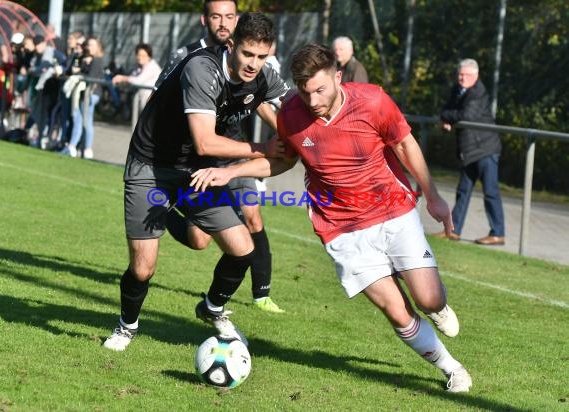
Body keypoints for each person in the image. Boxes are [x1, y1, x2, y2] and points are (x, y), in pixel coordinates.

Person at [190, 43, 472, 393]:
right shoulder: (292, 114)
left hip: (392, 211)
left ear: (338, 77)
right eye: (305, 92)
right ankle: (452, 369)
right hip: (341, 228)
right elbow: (282, 161)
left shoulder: (372, 100)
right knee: (397, 312)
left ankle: (438, 306)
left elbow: (405, 144)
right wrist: (231, 173)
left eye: (321, 90)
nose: (313, 100)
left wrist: (433, 197)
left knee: (428, 299)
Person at [102, 12, 289, 352]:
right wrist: (263, 147)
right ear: (231, 44)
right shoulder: (202, 69)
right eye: (247, 54)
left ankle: (212, 308)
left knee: (242, 248)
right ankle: (127, 326)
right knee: (143, 268)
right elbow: (205, 141)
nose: (253, 64)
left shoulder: (263, 77)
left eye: (262, 57)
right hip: (151, 166)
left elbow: (298, 106)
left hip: (195, 172)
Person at [160, 0, 285, 313]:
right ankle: (163, 212)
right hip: (194, 157)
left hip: (234, 149)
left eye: (230, 16)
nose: (223, 22)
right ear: (205, 19)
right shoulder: (188, 57)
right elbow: (160, 102)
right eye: (217, 16)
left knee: (253, 215)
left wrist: (286, 132)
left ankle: (261, 294)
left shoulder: (249, 59)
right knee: (200, 240)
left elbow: (256, 96)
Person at [436, 58, 505, 245]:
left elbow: (466, 115)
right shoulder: (457, 90)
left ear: (476, 75)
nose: (461, 78)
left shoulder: (479, 92)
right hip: (469, 151)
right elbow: (446, 109)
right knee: (463, 191)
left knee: (490, 192)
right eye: (460, 74)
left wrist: (447, 117)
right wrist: (446, 117)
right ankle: (453, 230)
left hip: (485, 149)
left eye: (466, 74)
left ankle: (498, 233)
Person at [62, 36, 104, 159]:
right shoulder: (81, 58)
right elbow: (74, 70)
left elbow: (90, 77)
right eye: (87, 45)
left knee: (86, 120)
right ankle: (73, 146)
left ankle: (86, 148)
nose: (86, 47)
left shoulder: (96, 60)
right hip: (82, 94)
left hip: (92, 94)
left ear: (97, 47)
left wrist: (80, 72)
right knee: (78, 119)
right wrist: (79, 63)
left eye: (90, 45)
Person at [111, 43, 161, 123]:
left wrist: (122, 78)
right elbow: (131, 78)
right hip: (142, 102)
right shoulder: (138, 67)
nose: (140, 58)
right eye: (138, 55)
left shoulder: (152, 67)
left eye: (143, 55)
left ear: (149, 56)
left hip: (153, 104)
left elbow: (138, 81)